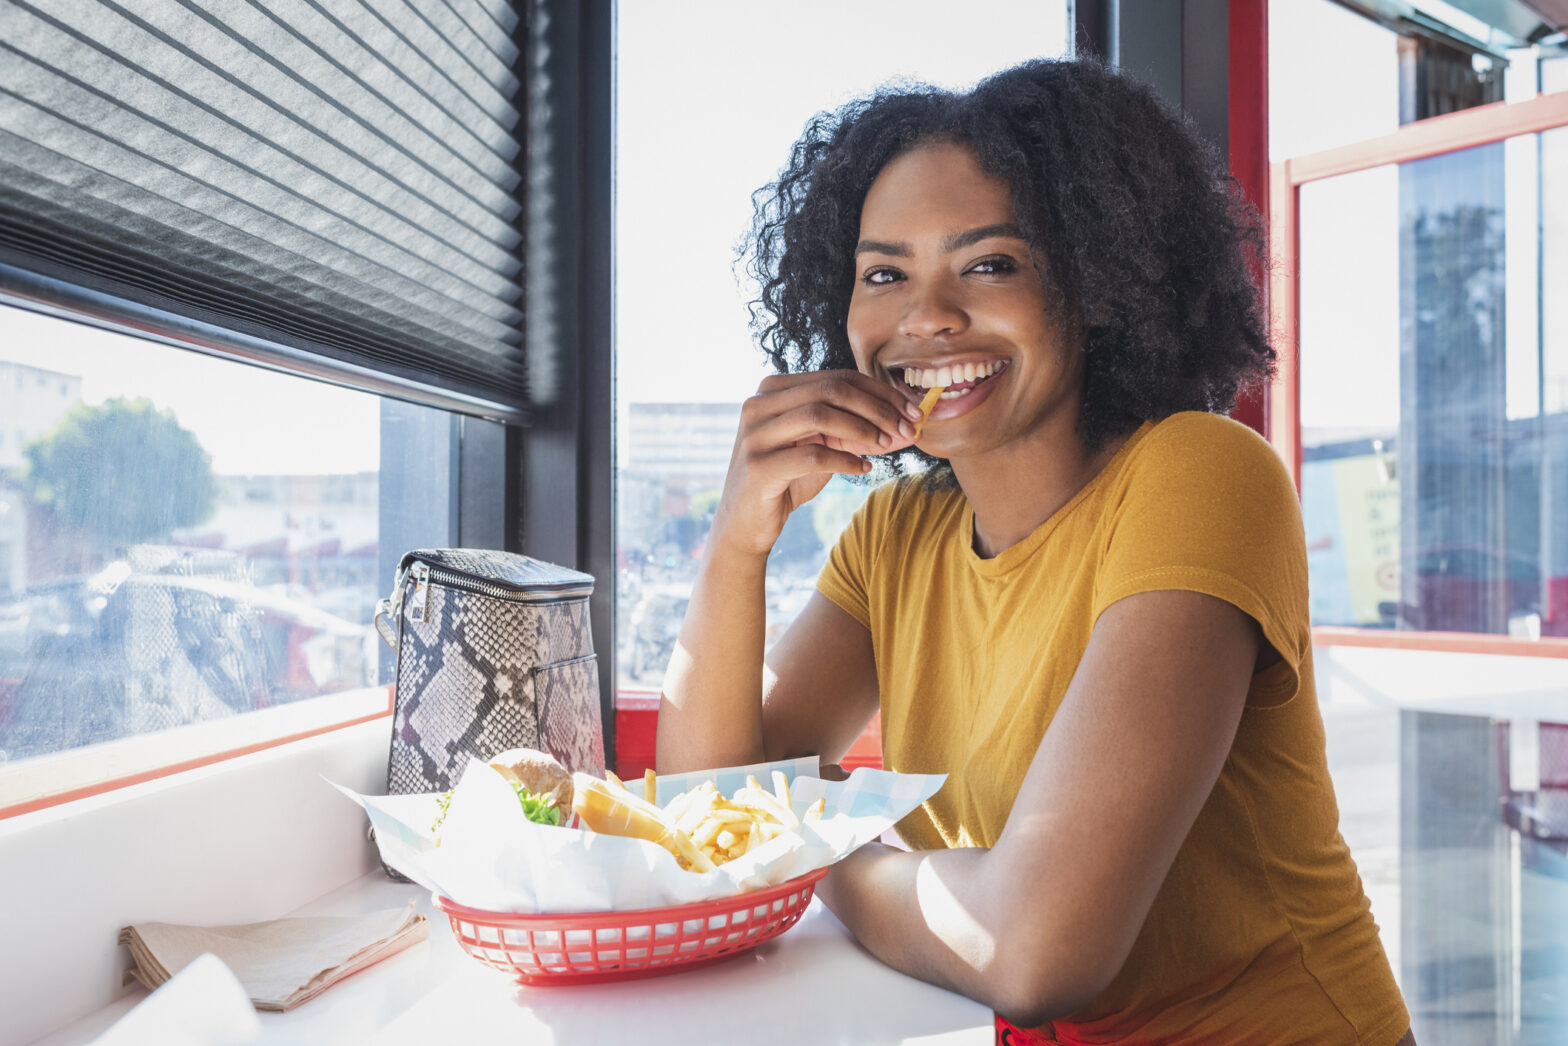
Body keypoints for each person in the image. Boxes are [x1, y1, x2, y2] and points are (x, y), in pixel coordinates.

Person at [656, 58, 1413, 1045]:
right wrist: (736, 540)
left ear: (1094, 285)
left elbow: (1033, 949)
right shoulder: (893, 537)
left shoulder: (1197, 472)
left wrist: (818, 845)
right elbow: (705, 826)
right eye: (883, 273)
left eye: (987, 264)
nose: (925, 316)